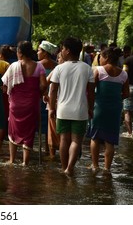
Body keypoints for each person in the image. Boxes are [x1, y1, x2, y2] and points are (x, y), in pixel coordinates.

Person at [49, 37, 95, 176]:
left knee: (64, 139)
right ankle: (70, 168)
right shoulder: (87, 69)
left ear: (68, 51)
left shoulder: (59, 68)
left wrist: (51, 108)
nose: (61, 51)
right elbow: (91, 93)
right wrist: (91, 108)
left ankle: (64, 168)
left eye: (62, 48)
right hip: (80, 110)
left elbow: (53, 91)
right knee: (76, 141)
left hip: (62, 110)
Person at [2, 41, 47, 165]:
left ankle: (11, 160)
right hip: (31, 104)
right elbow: (43, 85)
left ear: (20, 53)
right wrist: (38, 92)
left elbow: (5, 85)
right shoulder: (39, 66)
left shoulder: (13, 66)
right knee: (29, 131)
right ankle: (25, 162)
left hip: (15, 104)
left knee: (13, 130)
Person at [87, 47, 129, 172]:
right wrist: (115, 98)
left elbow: (90, 90)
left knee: (95, 137)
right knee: (110, 140)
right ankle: (107, 168)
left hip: (99, 107)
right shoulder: (124, 74)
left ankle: (95, 165)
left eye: (101, 57)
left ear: (107, 58)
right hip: (115, 109)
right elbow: (126, 94)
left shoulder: (99, 70)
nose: (100, 60)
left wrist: (90, 106)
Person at [37, 40, 58, 154]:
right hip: (53, 99)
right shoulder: (57, 65)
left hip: (40, 97)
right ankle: (50, 151)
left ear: (45, 52)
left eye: (39, 50)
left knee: (39, 125)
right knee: (50, 126)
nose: (37, 52)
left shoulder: (37, 65)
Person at [46, 52, 64, 158]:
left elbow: (47, 82)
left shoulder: (58, 69)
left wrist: (44, 93)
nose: (58, 60)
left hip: (55, 103)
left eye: (59, 58)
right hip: (68, 104)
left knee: (53, 131)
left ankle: (52, 155)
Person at [122, 41, 133, 137]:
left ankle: (130, 133)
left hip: (130, 87)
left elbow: (124, 74)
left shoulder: (128, 60)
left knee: (127, 111)